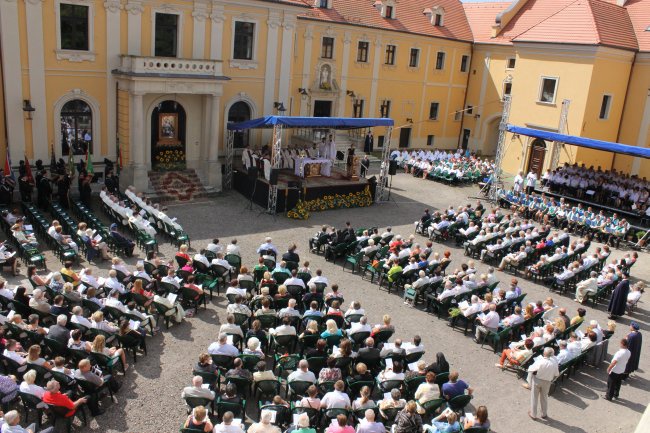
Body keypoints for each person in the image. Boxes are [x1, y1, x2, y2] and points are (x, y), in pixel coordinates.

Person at [528, 347, 559, 420]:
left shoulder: (540, 361)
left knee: (534, 397)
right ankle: (544, 413)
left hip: (537, 380)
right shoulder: (554, 362)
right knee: (544, 398)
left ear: (544, 353)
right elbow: (556, 374)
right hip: (547, 382)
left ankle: (533, 414)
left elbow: (531, 369)